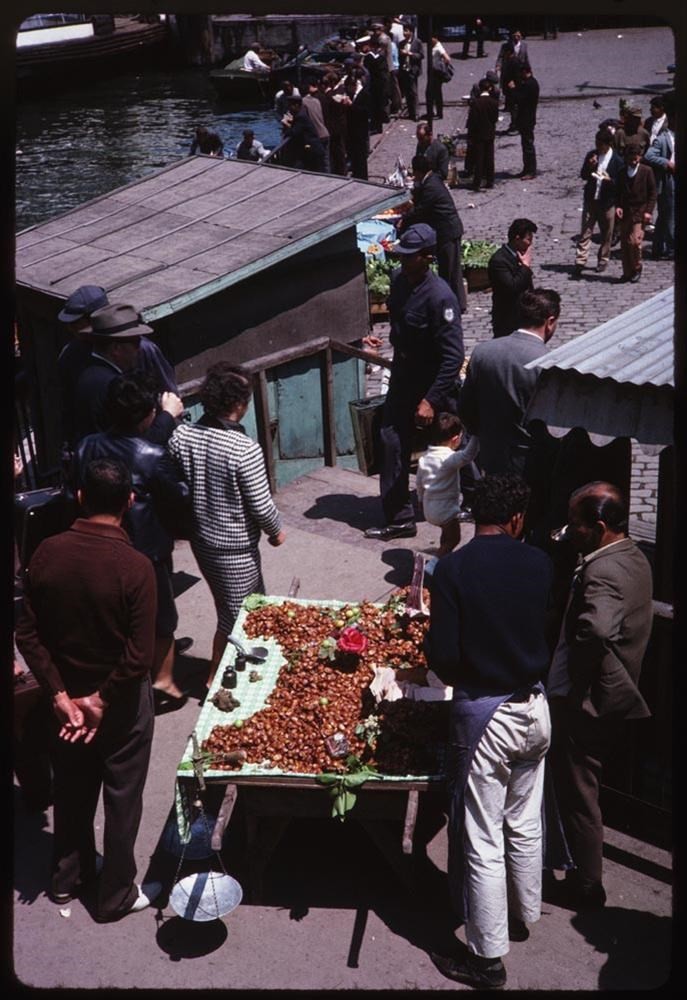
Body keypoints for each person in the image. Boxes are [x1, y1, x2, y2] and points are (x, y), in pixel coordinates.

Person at [15, 458, 162, 922]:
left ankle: (66, 878)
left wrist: (59, 696)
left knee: (74, 789)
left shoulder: (45, 553)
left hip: (63, 706)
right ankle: (115, 894)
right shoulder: (135, 567)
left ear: (80, 497)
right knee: (122, 796)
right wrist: (98, 701)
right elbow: (138, 656)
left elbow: (27, 633)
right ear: (129, 502)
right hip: (118, 707)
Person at [426, 473, 554, 990]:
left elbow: (445, 658)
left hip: (488, 721)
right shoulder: (541, 563)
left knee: (483, 837)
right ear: (518, 517)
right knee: (524, 820)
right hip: (537, 712)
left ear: (475, 514)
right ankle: (525, 915)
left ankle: (486, 958)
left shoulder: (453, 570)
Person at [547, 481, 653, 909]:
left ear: (602, 525)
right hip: (613, 692)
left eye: (577, 524)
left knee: (579, 793)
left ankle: (587, 884)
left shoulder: (603, 572)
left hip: (591, 701)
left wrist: (574, 682)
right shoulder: (633, 556)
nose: (571, 531)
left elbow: (596, 630)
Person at [74, 373, 191, 706]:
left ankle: (149, 662)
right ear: (147, 416)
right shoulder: (152, 455)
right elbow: (179, 494)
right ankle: (165, 683)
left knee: (124, 616)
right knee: (162, 616)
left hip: (104, 544)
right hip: (147, 548)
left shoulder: (87, 446)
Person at [167, 363, 285, 686]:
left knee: (240, 607)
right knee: (237, 616)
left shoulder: (183, 435)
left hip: (202, 540)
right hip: (233, 547)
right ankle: (216, 680)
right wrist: (276, 530)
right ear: (238, 405)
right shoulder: (243, 449)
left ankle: (231, 670)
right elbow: (261, 506)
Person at [364, 224, 464, 541]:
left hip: (436, 383)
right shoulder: (398, 281)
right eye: (401, 254)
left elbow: (453, 356)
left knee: (453, 443)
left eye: (410, 256)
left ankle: (473, 501)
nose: (403, 261)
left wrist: (431, 400)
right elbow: (396, 324)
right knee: (392, 440)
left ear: (428, 257)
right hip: (404, 379)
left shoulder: (441, 298)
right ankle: (400, 518)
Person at [57, 286, 178, 448]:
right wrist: (167, 416)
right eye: (135, 342)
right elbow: (132, 446)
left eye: (75, 323)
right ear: (115, 349)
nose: (138, 347)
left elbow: (168, 393)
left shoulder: (144, 350)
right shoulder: (77, 359)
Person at [459, 287, 559, 480]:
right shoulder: (549, 364)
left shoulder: (482, 352)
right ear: (550, 322)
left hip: (491, 457)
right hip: (531, 463)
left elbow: (466, 408)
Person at [400, 153, 467, 313]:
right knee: (448, 267)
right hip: (444, 231)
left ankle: (455, 304)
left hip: (448, 231)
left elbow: (422, 210)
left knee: (450, 270)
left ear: (418, 171)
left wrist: (404, 220)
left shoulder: (431, 185)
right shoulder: (430, 180)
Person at [415, 412, 480, 555]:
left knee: (447, 533)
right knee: (454, 539)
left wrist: (420, 499)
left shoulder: (425, 457)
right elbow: (468, 455)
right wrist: (476, 436)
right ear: (456, 439)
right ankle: (435, 564)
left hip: (429, 508)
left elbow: (419, 482)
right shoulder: (449, 459)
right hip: (446, 510)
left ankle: (443, 551)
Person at [572, 129, 623, 276]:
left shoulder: (617, 161)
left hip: (607, 202)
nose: (598, 147)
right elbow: (583, 175)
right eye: (596, 143)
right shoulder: (592, 155)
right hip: (591, 200)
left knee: (606, 233)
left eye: (600, 144)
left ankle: (603, 260)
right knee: (586, 231)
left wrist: (609, 180)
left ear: (608, 144)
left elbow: (620, 185)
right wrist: (590, 166)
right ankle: (580, 261)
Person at [487, 218, 537, 338]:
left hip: (523, 315)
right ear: (517, 239)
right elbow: (512, 286)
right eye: (528, 239)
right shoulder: (499, 261)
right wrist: (525, 267)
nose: (530, 244)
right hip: (507, 319)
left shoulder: (520, 255)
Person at [615, 139, 657, 283]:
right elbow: (618, 192)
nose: (633, 161)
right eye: (630, 158)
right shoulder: (621, 173)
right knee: (625, 244)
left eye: (636, 158)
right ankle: (627, 271)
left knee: (634, 242)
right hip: (626, 211)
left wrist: (649, 211)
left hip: (640, 211)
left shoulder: (646, 171)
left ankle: (637, 267)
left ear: (640, 157)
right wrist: (618, 206)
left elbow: (652, 193)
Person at [644, 101, 675, 261]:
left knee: (666, 215)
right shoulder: (664, 138)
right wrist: (666, 163)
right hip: (669, 180)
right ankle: (670, 248)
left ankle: (659, 247)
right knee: (668, 214)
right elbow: (649, 155)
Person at [466, 77, 499, 191]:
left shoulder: (476, 103)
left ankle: (477, 182)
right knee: (489, 158)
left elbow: (472, 120)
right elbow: (495, 119)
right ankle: (490, 181)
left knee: (479, 158)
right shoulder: (494, 103)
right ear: (489, 88)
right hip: (490, 133)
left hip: (478, 134)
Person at [282, 95, 326, 172]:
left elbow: (294, 132)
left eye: (290, 105)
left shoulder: (301, 116)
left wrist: (286, 125)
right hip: (309, 151)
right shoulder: (300, 115)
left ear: (296, 105)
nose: (289, 108)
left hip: (313, 151)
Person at [510, 62, 539, 179]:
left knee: (528, 145)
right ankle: (527, 169)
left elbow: (519, 99)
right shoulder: (530, 83)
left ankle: (530, 171)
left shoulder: (529, 84)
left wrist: (513, 89)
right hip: (527, 118)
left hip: (526, 119)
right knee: (526, 144)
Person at [342, 71, 370, 179]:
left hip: (361, 130)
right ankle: (356, 174)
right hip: (352, 130)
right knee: (354, 155)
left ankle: (362, 177)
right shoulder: (351, 94)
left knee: (361, 156)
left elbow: (365, 112)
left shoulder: (364, 94)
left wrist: (351, 106)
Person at [302, 77, 331, 171]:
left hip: (316, 136)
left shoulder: (303, 102)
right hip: (325, 133)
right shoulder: (316, 100)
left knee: (317, 164)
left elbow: (304, 120)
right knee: (326, 161)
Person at [398, 23, 423, 121]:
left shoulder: (417, 42)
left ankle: (416, 113)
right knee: (407, 92)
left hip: (413, 69)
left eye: (406, 30)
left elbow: (421, 55)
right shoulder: (401, 43)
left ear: (411, 32)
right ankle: (410, 111)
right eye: (404, 30)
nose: (404, 33)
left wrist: (409, 53)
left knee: (413, 91)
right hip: (404, 70)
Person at [427, 33, 451, 120]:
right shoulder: (432, 45)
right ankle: (432, 111)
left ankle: (439, 113)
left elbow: (447, 58)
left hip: (436, 73)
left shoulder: (438, 46)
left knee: (437, 93)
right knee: (431, 93)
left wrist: (441, 66)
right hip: (432, 72)